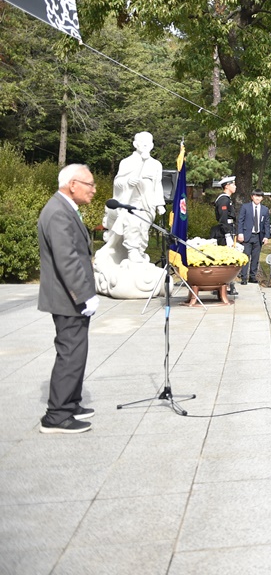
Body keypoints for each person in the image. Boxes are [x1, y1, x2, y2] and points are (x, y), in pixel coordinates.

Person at [37, 164, 100, 434]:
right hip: (67, 298)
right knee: (70, 353)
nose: (94, 190)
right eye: (90, 185)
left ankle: (70, 402)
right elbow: (67, 260)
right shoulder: (57, 213)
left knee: (77, 351)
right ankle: (56, 415)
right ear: (73, 184)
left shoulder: (63, 208)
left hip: (69, 297)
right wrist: (85, 295)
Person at [106, 132, 165, 265]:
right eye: (142, 142)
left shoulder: (156, 165)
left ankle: (140, 250)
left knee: (144, 229)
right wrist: (127, 181)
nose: (145, 145)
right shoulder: (127, 162)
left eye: (148, 142)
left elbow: (158, 185)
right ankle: (132, 251)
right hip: (131, 203)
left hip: (147, 203)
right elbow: (117, 182)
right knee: (133, 223)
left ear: (152, 145)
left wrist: (159, 204)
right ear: (135, 144)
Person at [237, 188, 271, 285]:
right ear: (252, 197)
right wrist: (240, 233)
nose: (257, 198)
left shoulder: (265, 209)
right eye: (256, 196)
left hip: (258, 236)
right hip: (247, 235)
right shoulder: (245, 207)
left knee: (255, 258)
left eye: (259, 196)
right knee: (245, 257)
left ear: (262, 198)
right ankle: (243, 277)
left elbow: (266, 224)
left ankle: (253, 276)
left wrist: (266, 236)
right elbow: (240, 220)